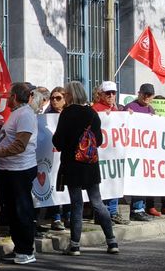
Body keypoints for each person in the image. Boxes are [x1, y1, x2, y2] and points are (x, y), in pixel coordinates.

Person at [51, 80, 119, 256]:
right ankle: (112, 241)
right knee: (97, 202)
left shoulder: (66, 114)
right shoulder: (92, 113)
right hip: (90, 164)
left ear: (71, 95)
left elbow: (57, 140)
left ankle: (74, 245)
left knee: (77, 204)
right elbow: (99, 140)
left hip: (72, 164)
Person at [0, 82, 39, 264]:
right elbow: (10, 138)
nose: (7, 98)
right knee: (13, 211)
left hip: (19, 170)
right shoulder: (18, 113)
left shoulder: (25, 114)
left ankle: (26, 250)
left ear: (14, 97)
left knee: (21, 211)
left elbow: (19, 145)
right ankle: (20, 249)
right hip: (9, 169)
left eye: (9, 95)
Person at [91, 81, 129, 224]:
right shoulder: (95, 109)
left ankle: (112, 212)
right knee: (103, 183)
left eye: (113, 93)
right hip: (101, 154)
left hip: (115, 154)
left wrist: (128, 117)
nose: (111, 96)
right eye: (108, 93)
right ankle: (102, 213)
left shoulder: (117, 110)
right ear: (100, 94)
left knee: (114, 181)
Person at [124, 83, 158, 221]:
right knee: (137, 180)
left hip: (146, 152)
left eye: (149, 95)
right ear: (139, 93)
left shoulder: (151, 109)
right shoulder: (130, 107)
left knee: (144, 180)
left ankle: (142, 207)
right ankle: (137, 209)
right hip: (134, 151)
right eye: (144, 94)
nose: (146, 97)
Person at [44, 86, 68, 231]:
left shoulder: (70, 114)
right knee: (53, 185)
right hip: (50, 156)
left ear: (65, 99)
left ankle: (68, 215)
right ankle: (56, 217)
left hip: (66, 156)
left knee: (67, 187)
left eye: (58, 98)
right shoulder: (46, 116)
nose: (54, 101)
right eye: (52, 98)